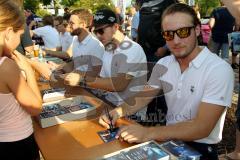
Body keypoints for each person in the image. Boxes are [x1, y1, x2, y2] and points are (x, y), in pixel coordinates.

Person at [99, 3, 234, 159]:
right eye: (168, 34)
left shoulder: (218, 69)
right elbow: (143, 97)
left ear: (197, 30)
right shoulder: (164, 64)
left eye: (183, 32)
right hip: (167, 140)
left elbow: (202, 127)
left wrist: (147, 133)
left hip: (201, 148)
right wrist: (118, 111)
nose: (175, 40)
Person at [64, 9, 147, 118]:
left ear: (116, 27)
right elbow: (101, 79)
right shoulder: (107, 49)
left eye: (101, 31)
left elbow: (119, 84)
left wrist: (81, 79)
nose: (98, 36)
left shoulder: (132, 49)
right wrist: (78, 75)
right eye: (95, 31)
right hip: (109, 104)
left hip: (130, 112)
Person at [0, 0, 42, 159]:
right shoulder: (6, 66)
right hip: (16, 142)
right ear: (9, 32)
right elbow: (35, 107)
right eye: (20, 35)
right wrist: (28, 71)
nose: (20, 40)